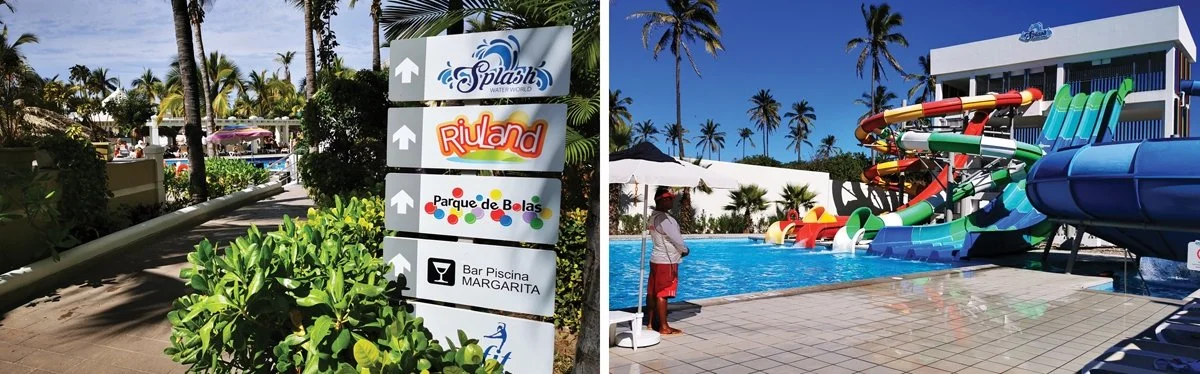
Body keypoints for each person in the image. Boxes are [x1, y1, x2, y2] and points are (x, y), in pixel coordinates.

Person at [646, 186, 689, 335]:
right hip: (667, 261)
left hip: (656, 258)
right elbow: (677, 240)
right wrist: (685, 250)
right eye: (669, 198)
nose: (672, 201)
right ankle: (664, 327)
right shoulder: (666, 219)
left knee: (652, 292)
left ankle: (651, 323)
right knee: (663, 293)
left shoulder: (653, 217)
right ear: (662, 200)